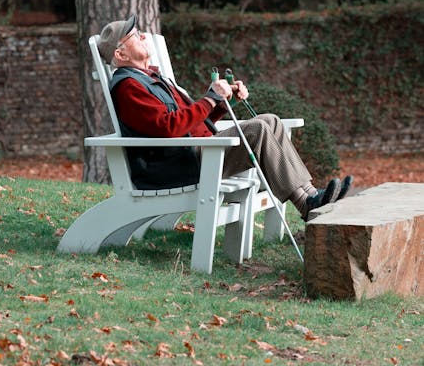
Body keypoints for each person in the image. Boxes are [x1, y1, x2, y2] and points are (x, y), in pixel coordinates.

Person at [97, 15, 352, 220]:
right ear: (120, 54)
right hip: (179, 164)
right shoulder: (129, 87)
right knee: (257, 131)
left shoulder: (152, 78)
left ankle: (311, 196)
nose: (142, 35)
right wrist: (209, 98)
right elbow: (168, 128)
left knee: (270, 120)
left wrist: (220, 102)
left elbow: (190, 122)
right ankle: (306, 203)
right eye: (134, 36)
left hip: (196, 152)